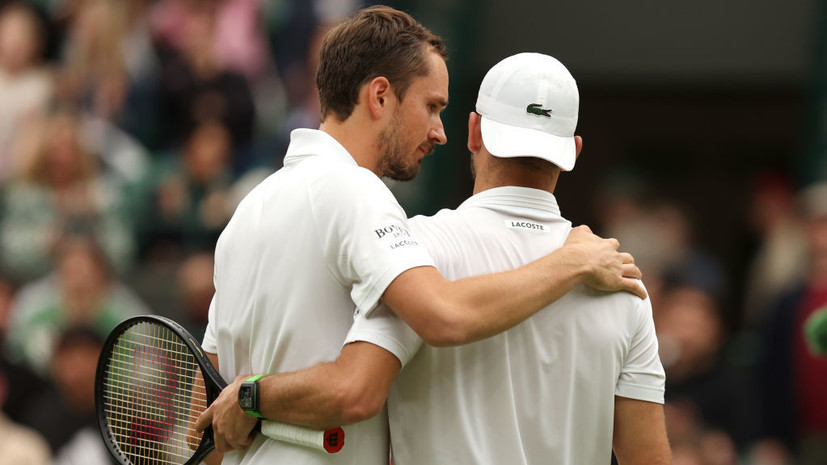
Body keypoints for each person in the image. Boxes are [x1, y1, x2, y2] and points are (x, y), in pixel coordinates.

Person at [197, 7, 645, 465]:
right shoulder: (356, 191)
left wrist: (249, 402)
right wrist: (571, 262)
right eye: (431, 106)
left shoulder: (247, 211)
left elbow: (205, 418)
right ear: (379, 97)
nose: (439, 132)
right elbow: (441, 317)